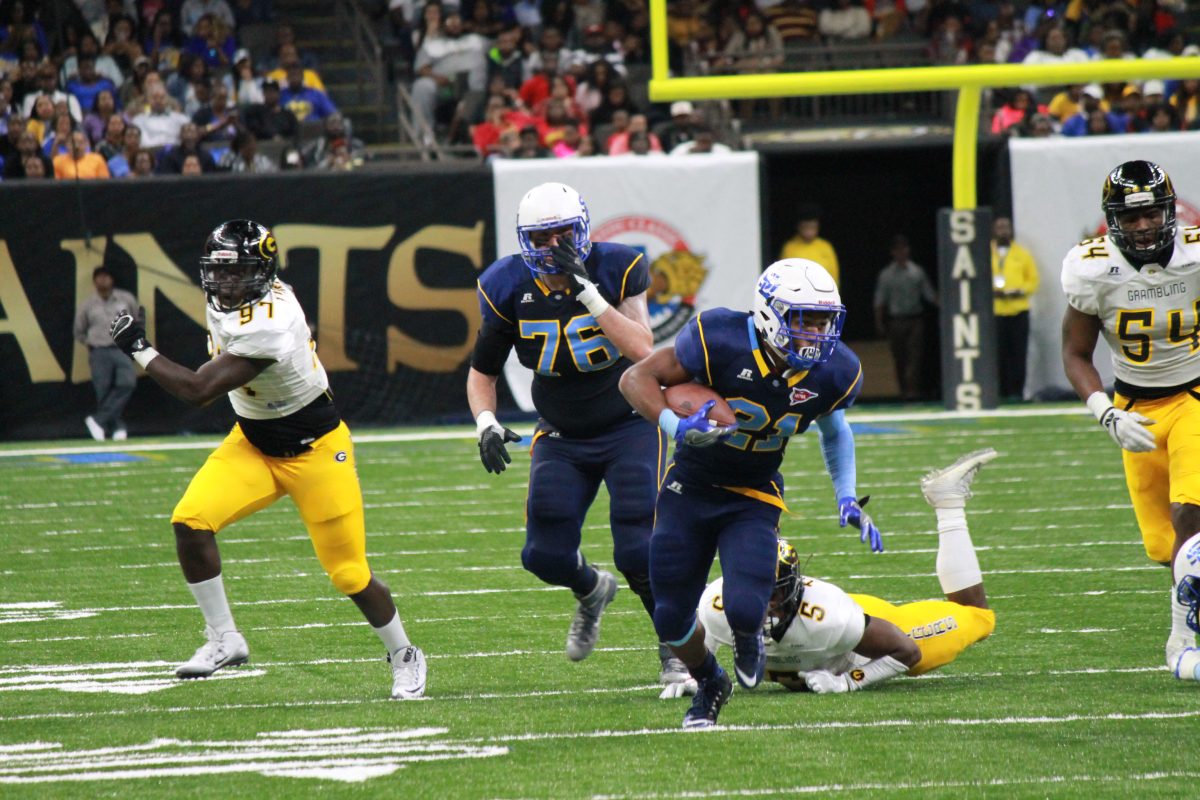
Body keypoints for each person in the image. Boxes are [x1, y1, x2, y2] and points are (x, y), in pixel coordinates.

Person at [106, 220, 427, 698]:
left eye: (237, 272)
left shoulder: (272, 321)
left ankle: (405, 654)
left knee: (349, 573)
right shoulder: (232, 299)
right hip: (254, 442)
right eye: (219, 271)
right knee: (190, 521)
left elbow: (198, 390)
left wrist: (138, 348)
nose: (224, 282)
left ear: (262, 274)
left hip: (314, 449)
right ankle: (224, 639)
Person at [618, 258, 883, 729]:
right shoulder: (719, 338)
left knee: (744, 607)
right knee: (670, 616)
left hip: (753, 493)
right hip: (691, 486)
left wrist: (845, 494)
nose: (819, 334)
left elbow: (835, 428)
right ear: (769, 314)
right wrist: (676, 426)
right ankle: (711, 682)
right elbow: (634, 378)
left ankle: (747, 636)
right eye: (806, 321)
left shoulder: (834, 371)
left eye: (825, 321)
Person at [466, 182, 688, 687]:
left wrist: (587, 289)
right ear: (524, 240)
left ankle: (676, 649)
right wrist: (486, 423)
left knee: (639, 549)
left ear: (583, 229)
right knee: (541, 556)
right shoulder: (505, 285)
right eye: (541, 238)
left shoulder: (617, 266)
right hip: (561, 432)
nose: (553, 247)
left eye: (563, 234)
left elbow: (642, 347)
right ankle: (591, 590)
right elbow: (482, 371)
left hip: (629, 422)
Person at [661, 448, 998, 699]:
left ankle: (948, 501)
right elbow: (698, 652)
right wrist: (697, 677)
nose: (762, 602)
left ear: (792, 589)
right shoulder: (717, 605)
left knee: (977, 617)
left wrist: (848, 679)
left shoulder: (831, 617)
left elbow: (906, 651)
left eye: (772, 592)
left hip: (860, 635)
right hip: (828, 632)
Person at [1060, 160, 1200, 683]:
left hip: (1194, 397)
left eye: (1151, 214)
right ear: (1113, 219)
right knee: (1165, 547)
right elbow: (1075, 353)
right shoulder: (1092, 268)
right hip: (1136, 407)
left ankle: (1182, 644)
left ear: (1170, 211)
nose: (1142, 226)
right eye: (1130, 216)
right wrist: (1105, 410)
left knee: (1191, 517)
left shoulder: (1195, 255)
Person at [73, 266, 139, 441]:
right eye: (99, 277)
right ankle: (117, 427)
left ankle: (98, 421)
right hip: (99, 350)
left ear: (112, 279)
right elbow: (79, 330)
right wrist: (90, 344)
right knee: (103, 390)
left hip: (121, 349)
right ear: (94, 281)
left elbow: (136, 321)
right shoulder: (88, 304)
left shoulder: (125, 299)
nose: (103, 280)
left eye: (106, 276)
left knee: (127, 383)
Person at [873, 235, 937, 402]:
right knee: (899, 357)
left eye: (904, 248)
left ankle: (912, 391)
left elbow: (929, 295)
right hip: (896, 321)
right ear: (893, 252)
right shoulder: (886, 275)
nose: (901, 252)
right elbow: (880, 301)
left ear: (908, 250)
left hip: (914, 319)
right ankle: (903, 390)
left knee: (914, 356)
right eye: (898, 249)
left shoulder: (917, 272)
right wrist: (879, 323)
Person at [991, 217, 1039, 401]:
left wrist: (1020, 291)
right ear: (993, 230)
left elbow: (1033, 279)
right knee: (998, 353)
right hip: (996, 311)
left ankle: (1016, 392)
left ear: (1011, 230)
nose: (1003, 230)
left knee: (1018, 353)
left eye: (1006, 227)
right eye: (999, 227)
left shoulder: (1022, 254)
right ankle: (999, 392)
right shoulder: (987, 252)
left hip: (1019, 309)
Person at [779, 204, 840, 286]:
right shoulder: (789, 247)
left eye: (812, 227)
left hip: (822, 292)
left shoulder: (825, 247)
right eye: (806, 227)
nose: (809, 232)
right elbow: (783, 274)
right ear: (799, 227)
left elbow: (834, 275)